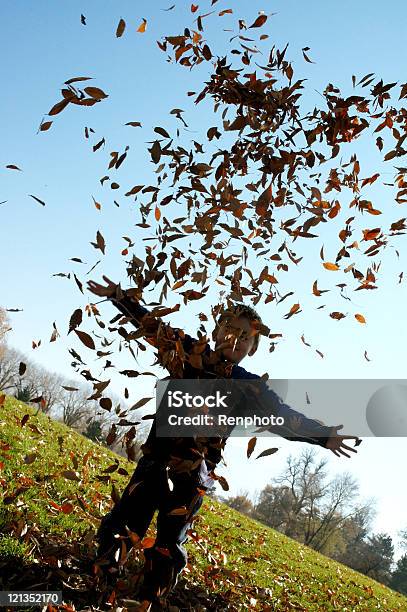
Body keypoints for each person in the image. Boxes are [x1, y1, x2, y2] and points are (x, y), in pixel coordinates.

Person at [87, 276, 359, 611]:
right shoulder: (189, 353)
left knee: (169, 546)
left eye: (246, 337)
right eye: (230, 329)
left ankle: (148, 600)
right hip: (155, 462)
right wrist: (119, 296)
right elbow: (153, 328)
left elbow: (283, 416)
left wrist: (324, 435)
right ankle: (101, 587)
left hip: (193, 479)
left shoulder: (248, 386)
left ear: (252, 348)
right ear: (216, 333)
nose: (237, 338)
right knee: (124, 526)